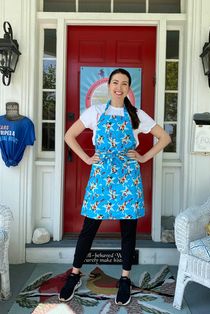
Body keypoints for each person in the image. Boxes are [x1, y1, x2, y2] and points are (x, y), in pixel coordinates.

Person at [59, 68, 171, 305]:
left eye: (124, 83)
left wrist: (143, 157)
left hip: (128, 178)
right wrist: (87, 159)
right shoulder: (96, 112)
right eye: (115, 82)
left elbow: (165, 138)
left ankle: (125, 278)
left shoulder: (137, 114)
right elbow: (69, 135)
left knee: (128, 230)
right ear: (109, 85)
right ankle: (75, 274)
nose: (119, 87)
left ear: (129, 88)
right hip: (101, 178)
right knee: (89, 227)